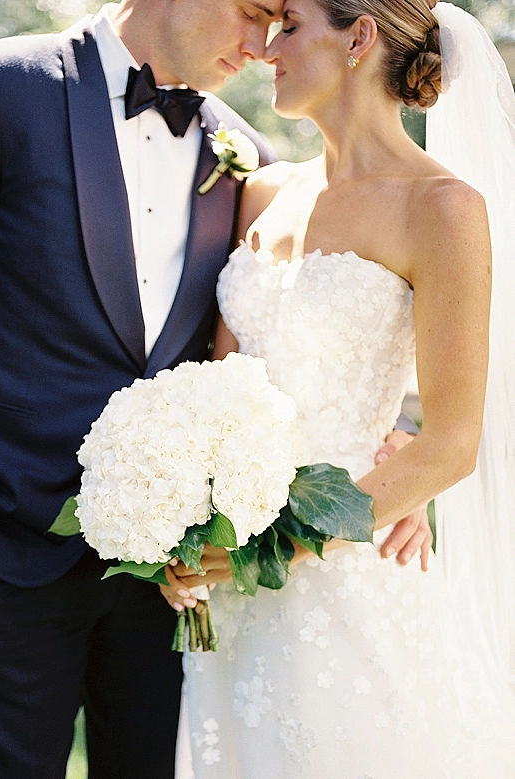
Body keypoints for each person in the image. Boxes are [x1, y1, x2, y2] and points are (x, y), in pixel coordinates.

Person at [0, 0, 430, 776]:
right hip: (2, 558)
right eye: (254, 12)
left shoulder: (245, 154)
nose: (263, 44)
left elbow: (274, 345)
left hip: (179, 587)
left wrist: (389, 448)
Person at [165, 0, 515, 776]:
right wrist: (177, 522)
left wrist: (277, 547)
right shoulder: (259, 193)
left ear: (358, 37)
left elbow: (453, 443)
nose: (264, 48)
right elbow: (210, 395)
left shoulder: (443, 209)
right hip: (230, 599)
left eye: (288, 26)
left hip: (353, 580)